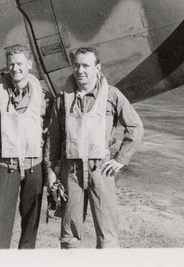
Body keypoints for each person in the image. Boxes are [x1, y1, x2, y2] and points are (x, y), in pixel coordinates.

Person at [45, 46, 144, 248]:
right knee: (69, 235)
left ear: (97, 68)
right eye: (76, 65)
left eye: (86, 66)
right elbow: (53, 139)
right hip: (70, 171)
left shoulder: (112, 95)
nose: (80, 71)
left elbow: (136, 127)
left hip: (101, 170)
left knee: (107, 235)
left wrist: (120, 159)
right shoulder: (62, 99)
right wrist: (51, 171)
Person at [0, 44, 52, 249]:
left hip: (34, 166)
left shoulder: (43, 96)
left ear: (29, 64)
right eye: (11, 64)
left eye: (19, 64)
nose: (15, 68)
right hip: (5, 165)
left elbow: (49, 128)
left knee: (31, 222)